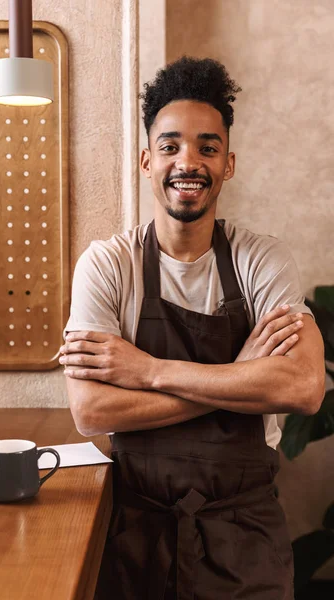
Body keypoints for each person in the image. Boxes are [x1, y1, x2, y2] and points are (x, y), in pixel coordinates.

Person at [59, 57, 325, 599]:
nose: (189, 162)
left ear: (228, 163)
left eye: (207, 147)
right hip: (137, 532)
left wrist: (149, 371)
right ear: (145, 160)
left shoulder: (262, 260)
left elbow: (302, 387)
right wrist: (240, 378)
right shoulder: (109, 265)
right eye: (170, 145)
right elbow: (92, 411)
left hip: (245, 533)